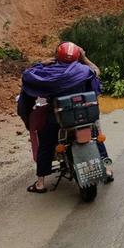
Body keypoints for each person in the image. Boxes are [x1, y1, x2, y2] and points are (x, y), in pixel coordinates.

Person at [17, 42, 113, 193]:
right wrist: (85, 58)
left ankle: (41, 183)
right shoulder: (84, 70)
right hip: (84, 116)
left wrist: (41, 63)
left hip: (57, 119)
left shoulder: (49, 73)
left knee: (46, 142)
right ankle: (107, 169)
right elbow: (96, 71)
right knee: (95, 134)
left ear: (57, 56)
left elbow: (28, 76)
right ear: (78, 55)